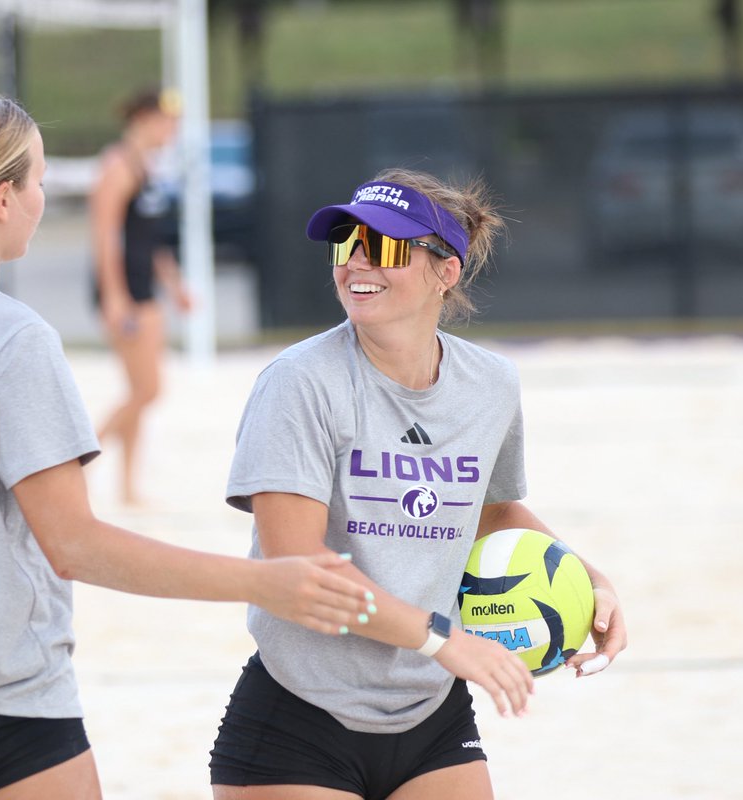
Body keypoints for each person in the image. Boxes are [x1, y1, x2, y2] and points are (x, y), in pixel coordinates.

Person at [0, 90, 376, 800]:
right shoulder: (11, 337)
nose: (42, 197)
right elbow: (76, 546)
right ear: (2, 198)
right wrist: (261, 581)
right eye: (39, 181)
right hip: (3, 700)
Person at [209, 169, 628, 800]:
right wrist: (442, 638)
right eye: (346, 242)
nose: (355, 262)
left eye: (382, 247)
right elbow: (299, 569)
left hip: (431, 709)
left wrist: (586, 580)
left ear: (446, 271)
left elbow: (491, 509)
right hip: (301, 714)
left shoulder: (490, 385)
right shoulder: (300, 381)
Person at [89, 87, 192, 505]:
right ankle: (78, 460)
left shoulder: (146, 167)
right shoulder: (117, 166)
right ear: (144, 120)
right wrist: (115, 297)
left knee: (138, 389)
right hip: (125, 290)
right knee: (148, 390)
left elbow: (151, 239)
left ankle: (127, 487)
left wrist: (175, 285)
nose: (173, 129)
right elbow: (103, 235)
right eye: (168, 121)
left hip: (143, 287)